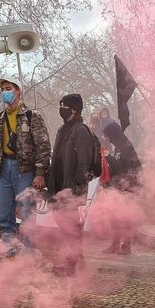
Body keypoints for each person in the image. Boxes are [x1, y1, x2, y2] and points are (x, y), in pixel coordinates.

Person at [0, 78, 52, 256]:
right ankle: (10, 253)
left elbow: (43, 146)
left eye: (8, 88)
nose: (5, 92)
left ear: (18, 91)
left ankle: (29, 254)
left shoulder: (32, 116)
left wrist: (40, 173)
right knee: (5, 214)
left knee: (27, 212)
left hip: (25, 170)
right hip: (3, 169)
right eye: (3, 90)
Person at [46, 94, 96, 275]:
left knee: (71, 225)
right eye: (60, 104)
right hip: (59, 184)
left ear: (74, 109)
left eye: (65, 105)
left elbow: (84, 161)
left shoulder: (81, 130)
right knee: (62, 221)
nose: (61, 108)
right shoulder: (62, 129)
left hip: (72, 187)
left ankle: (71, 263)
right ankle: (77, 258)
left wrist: (76, 186)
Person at [100, 121, 143, 255]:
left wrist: (107, 156)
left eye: (107, 135)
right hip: (120, 186)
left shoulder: (127, 148)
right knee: (116, 216)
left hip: (129, 187)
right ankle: (115, 244)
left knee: (126, 217)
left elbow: (121, 167)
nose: (107, 139)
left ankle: (126, 245)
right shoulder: (119, 147)